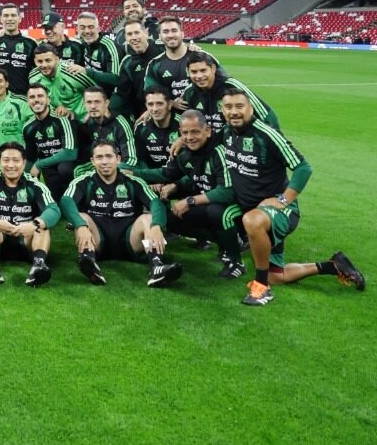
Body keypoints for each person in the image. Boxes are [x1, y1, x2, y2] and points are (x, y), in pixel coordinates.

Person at [219, 88, 362, 305]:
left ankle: (261, 288)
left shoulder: (267, 134)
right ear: (222, 110)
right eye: (228, 107)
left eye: (240, 106)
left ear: (251, 108)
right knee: (276, 276)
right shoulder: (226, 133)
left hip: (280, 211)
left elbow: (303, 167)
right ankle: (333, 265)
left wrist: (284, 199)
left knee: (252, 220)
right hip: (257, 211)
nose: (234, 112)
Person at [60, 141, 180, 288]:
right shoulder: (84, 181)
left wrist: (157, 226)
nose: (104, 162)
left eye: (109, 156)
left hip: (129, 240)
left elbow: (156, 203)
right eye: (99, 157)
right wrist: (80, 225)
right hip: (98, 241)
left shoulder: (134, 181)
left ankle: (156, 267)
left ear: (118, 159)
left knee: (148, 218)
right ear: (92, 161)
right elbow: (66, 201)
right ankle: (90, 263)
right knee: (82, 218)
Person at [147, 110, 245, 279]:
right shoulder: (184, 154)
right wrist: (132, 173)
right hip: (208, 202)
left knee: (217, 213)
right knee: (170, 219)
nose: (190, 137)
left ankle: (235, 261)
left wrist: (190, 201)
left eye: (195, 132)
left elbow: (227, 192)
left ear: (207, 131)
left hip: (238, 204)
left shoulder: (219, 152)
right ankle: (225, 241)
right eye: (185, 133)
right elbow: (167, 174)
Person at [0, 141, 60, 287]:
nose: (11, 165)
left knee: (42, 224)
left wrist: (33, 225)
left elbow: (53, 209)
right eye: (6, 160)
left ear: (24, 163)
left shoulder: (35, 185)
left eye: (16, 160)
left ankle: (38, 265)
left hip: (27, 240)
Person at [182, 50, 278, 134]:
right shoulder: (189, 92)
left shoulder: (231, 86)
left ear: (213, 69)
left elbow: (264, 113)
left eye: (203, 70)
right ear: (188, 72)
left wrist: (274, 140)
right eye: (194, 72)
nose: (199, 76)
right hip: (210, 149)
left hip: (234, 146)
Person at [22, 84, 78, 199]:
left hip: (70, 165)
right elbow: (30, 157)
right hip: (50, 168)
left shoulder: (61, 118)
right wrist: (21, 176)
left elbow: (70, 153)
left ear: (48, 99)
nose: (36, 100)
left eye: (40, 96)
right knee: (55, 201)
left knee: (64, 168)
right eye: (32, 97)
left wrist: (39, 164)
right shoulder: (28, 127)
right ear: (27, 101)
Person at [29, 42, 95, 120]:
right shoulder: (33, 77)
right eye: (40, 61)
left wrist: (90, 114)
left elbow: (97, 92)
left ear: (57, 59)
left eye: (48, 60)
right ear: (34, 61)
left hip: (82, 120)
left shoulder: (72, 73)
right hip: (56, 120)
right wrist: (55, 108)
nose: (44, 65)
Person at [112, 19, 164, 118]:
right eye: (130, 34)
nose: (134, 37)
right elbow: (122, 94)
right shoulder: (127, 63)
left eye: (137, 32)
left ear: (146, 33)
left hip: (168, 107)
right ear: (126, 38)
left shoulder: (163, 49)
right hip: (141, 114)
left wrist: (192, 49)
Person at [78, 87, 138, 171]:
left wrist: (106, 171)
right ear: (84, 104)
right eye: (89, 102)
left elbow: (131, 160)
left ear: (106, 103)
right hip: (102, 165)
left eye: (97, 102)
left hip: (123, 167)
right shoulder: (89, 123)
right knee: (77, 170)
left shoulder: (121, 124)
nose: (93, 106)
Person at [143, 16, 194, 108]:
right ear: (159, 36)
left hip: (201, 116)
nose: (170, 35)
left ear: (182, 34)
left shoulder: (201, 57)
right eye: (165, 32)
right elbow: (150, 94)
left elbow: (222, 83)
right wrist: (171, 103)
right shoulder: (154, 65)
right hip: (170, 117)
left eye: (174, 30)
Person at [0, 3, 37, 95]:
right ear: (0, 19)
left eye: (13, 15)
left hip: (24, 97)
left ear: (19, 18)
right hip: (0, 97)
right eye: (6, 16)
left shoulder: (31, 43)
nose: (9, 19)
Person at [132, 86, 179, 172]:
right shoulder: (141, 128)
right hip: (153, 179)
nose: (155, 109)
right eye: (150, 104)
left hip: (179, 178)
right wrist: (151, 181)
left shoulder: (183, 125)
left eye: (160, 104)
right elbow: (141, 160)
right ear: (146, 106)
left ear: (169, 105)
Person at [71, 11, 121, 91]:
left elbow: (116, 79)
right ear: (77, 29)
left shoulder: (109, 46)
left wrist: (88, 72)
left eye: (91, 27)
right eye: (82, 27)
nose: (87, 31)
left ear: (98, 28)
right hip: (91, 91)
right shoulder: (81, 43)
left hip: (109, 94)